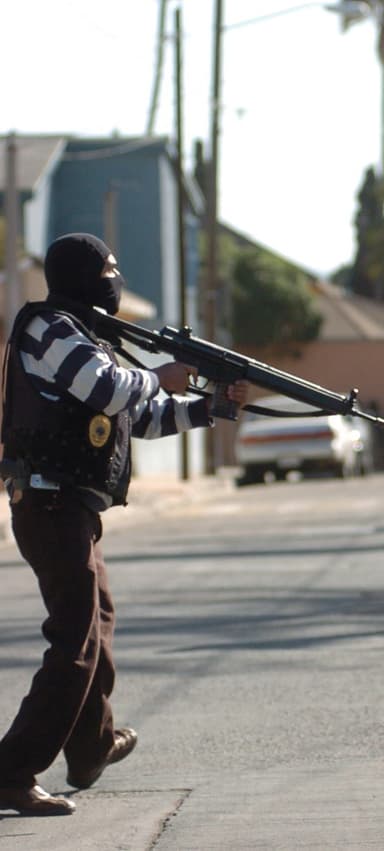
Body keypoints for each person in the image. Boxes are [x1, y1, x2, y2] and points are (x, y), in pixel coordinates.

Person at [0, 233, 248, 816]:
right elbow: (111, 390)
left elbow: (140, 416)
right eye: (109, 268)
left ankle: (91, 746)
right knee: (76, 640)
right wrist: (161, 374)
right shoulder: (50, 330)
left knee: (96, 627)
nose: (116, 277)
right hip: (48, 502)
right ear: (84, 275)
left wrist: (212, 406)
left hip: (72, 507)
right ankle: (12, 770)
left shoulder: (87, 337)